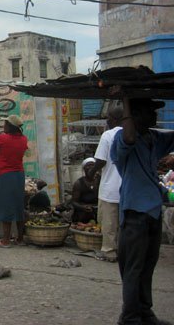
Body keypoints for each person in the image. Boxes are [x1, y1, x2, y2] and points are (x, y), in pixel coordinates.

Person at [112, 97, 174, 325]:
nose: (155, 116)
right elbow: (128, 136)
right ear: (135, 115)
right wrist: (126, 101)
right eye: (149, 111)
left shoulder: (153, 138)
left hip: (153, 212)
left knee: (147, 267)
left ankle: (145, 312)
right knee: (133, 269)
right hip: (134, 213)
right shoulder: (123, 138)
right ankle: (130, 317)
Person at [0, 115, 28, 248]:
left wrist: (0, 159)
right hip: (19, 175)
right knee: (18, 205)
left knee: (6, 205)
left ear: (10, 126)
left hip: (6, 175)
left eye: (5, 124)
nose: (3, 126)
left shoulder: (2, 138)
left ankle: (6, 239)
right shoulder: (23, 139)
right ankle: (20, 238)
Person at [93, 106, 124, 262]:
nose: (107, 120)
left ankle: (110, 251)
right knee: (124, 224)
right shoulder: (132, 134)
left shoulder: (108, 135)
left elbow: (101, 160)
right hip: (127, 189)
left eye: (109, 117)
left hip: (110, 188)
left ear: (115, 119)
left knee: (109, 224)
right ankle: (124, 251)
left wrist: (91, 172)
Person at [71, 158, 100, 223]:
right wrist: (83, 207)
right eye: (88, 165)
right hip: (83, 212)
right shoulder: (78, 183)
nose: (91, 167)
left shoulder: (100, 180)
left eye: (93, 165)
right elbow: (74, 202)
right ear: (84, 169)